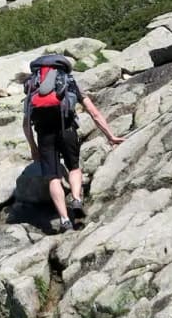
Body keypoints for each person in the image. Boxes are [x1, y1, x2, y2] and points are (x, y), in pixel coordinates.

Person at [21, 53, 125, 233]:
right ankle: (76, 199)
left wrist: (33, 147)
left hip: (44, 135)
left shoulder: (33, 87)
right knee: (74, 167)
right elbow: (94, 113)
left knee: (53, 177)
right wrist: (110, 136)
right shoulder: (69, 82)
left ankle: (64, 220)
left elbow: (26, 123)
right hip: (67, 130)